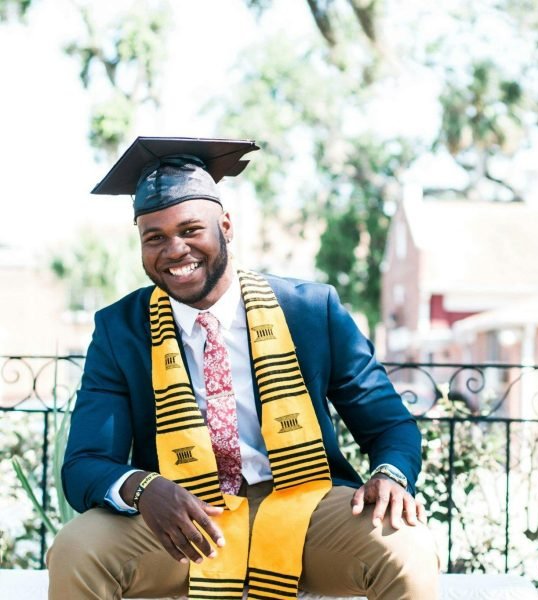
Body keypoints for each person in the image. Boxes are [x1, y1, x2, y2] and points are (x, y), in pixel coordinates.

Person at [47, 137, 439, 600]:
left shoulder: (311, 310)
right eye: (154, 237)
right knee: (77, 550)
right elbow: (85, 463)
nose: (174, 250)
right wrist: (142, 487)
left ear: (226, 227)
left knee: (406, 548)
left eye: (191, 229)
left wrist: (390, 475)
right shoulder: (120, 329)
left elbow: (390, 425)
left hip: (305, 504)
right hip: (183, 519)